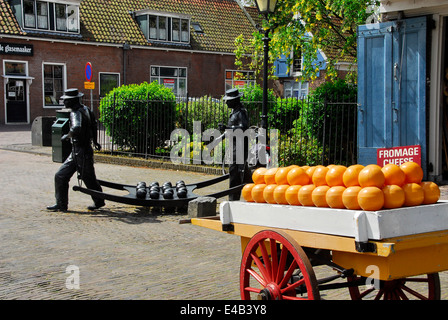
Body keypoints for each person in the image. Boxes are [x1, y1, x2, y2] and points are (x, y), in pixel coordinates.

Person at [46, 88, 105, 212]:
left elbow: (76, 128)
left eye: (66, 101)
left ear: (73, 100)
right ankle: (62, 204)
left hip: (80, 150)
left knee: (83, 178)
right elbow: (94, 126)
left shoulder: (75, 112)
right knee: (66, 176)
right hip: (81, 150)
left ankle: (98, 201)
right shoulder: (87, 109)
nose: (64, 103)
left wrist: (66, 136)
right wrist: (95, 141)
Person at [219, 88, 252, 201]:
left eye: (228, 100)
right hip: (235, 145)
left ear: (235, 100)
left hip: (240, 146)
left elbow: (243, 128)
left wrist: (227, 128)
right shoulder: (235, 112)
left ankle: (233, 198)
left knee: (235, 171)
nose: (226, 102)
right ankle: (248, 192)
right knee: (238, 171)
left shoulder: (241, 112)